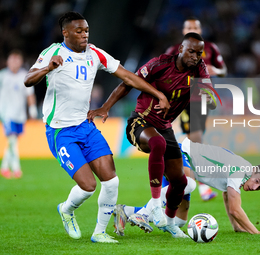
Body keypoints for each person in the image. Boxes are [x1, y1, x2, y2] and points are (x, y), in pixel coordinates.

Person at [24, 11, 170, 243]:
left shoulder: (95, 54)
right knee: (88, 186)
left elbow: (128, 77)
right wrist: (47, 68)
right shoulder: (53, 52)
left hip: (86, 126)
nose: (84, 34)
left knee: (111, 181)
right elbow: (28, 79)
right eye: (79, 31)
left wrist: (157, 93)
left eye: (86, 30)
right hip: (61, 131)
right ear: (66, 33)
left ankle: (99, 233)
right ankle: (66, 209)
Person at [88, 32, 216, 238]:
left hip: (165, 127)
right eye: (191, 51)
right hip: (140, 122)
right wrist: (105, 107)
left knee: (181, 182)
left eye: (199, 53)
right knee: (158, 143)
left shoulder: (199, 69)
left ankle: (170, 223)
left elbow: (211, 96)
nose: (195, 56)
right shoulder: (160, 64)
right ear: (181, 49)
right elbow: (128, 83)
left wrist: (207, 95)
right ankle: (155, 204)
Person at [116, 137, 260, 234]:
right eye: (257, 181)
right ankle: (143, 213)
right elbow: (235, 209)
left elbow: (227, 195)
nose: (255, 187)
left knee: (178, 220)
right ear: (255, 170)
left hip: (184, 162)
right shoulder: (241, 170)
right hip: (179, 153)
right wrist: (255, 232)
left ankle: (125, 211)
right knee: (188, 184)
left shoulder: (244, 173)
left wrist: (237, 227)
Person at [166, 17, 227, 201]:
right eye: (189, 27)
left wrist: (214, 71)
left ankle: (176, 157)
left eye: (195, 27)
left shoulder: (210, 48)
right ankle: (202, 185)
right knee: (197, 139)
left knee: (194, 142)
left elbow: (223, 70)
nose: (192, 29)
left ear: (201, 29)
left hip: (203, 99)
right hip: (184, 99)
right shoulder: (175, 50)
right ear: (183, 30)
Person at [0, 50, 38, 179]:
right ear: (7, 62)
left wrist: (32, 109)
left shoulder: (24, 76)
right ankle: (16, 169)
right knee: (12, 141)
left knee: (13, 141)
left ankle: (4, 168)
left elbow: (30, 94)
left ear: (20, 62)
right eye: (12, 60)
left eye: (17, 60)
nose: (14, 63)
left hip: (20, 115)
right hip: (6, 114)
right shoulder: (2, 76)